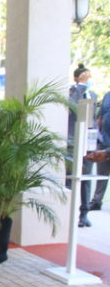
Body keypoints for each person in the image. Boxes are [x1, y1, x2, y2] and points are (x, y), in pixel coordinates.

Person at [67, 64, 98, 227]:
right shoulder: (71, 92)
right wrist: (80, 86)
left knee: (86, 179)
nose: (88, 80)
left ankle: (84, 214)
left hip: (88, 143)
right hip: (72, 142)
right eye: (84, 77)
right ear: (76, 79)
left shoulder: (92, 95)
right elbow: (72, 107)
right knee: (70, 179)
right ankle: (68, 213)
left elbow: (93, 119)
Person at [89, 89, 110, 211]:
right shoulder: (108, 95)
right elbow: (100, 117)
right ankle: (96, 201)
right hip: (104, 141)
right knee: (101, 174)